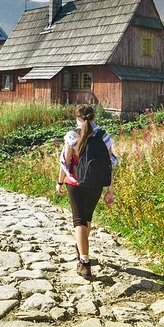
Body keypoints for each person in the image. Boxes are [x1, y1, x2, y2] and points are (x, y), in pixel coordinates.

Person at [56, 104, 116, 278]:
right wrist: (109, 190)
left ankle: (85, 263)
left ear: (77, 117)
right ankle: (82, 247)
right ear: (93, 117)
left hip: (75, 184)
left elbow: (65, 163)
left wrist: (60, 182)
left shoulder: (72, 135)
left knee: (79, 221)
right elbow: (110, 164)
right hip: (96, 183)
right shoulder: (104, 136)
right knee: (87, 218)